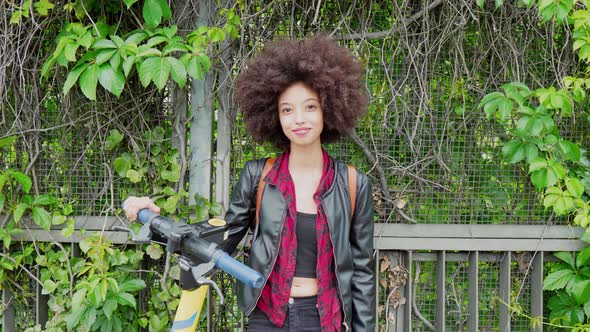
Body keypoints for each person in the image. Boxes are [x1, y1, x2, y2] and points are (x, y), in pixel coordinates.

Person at [123, 35, 375, 332]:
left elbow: (362, 272)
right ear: (274, 116)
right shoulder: (259, 177)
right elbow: (220, 239)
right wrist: (156, 221)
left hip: (324, 319)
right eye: (287, 110)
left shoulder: (352, 184)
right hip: (268, 316)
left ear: (328, 109)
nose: (299, 119)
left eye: (310, 107)